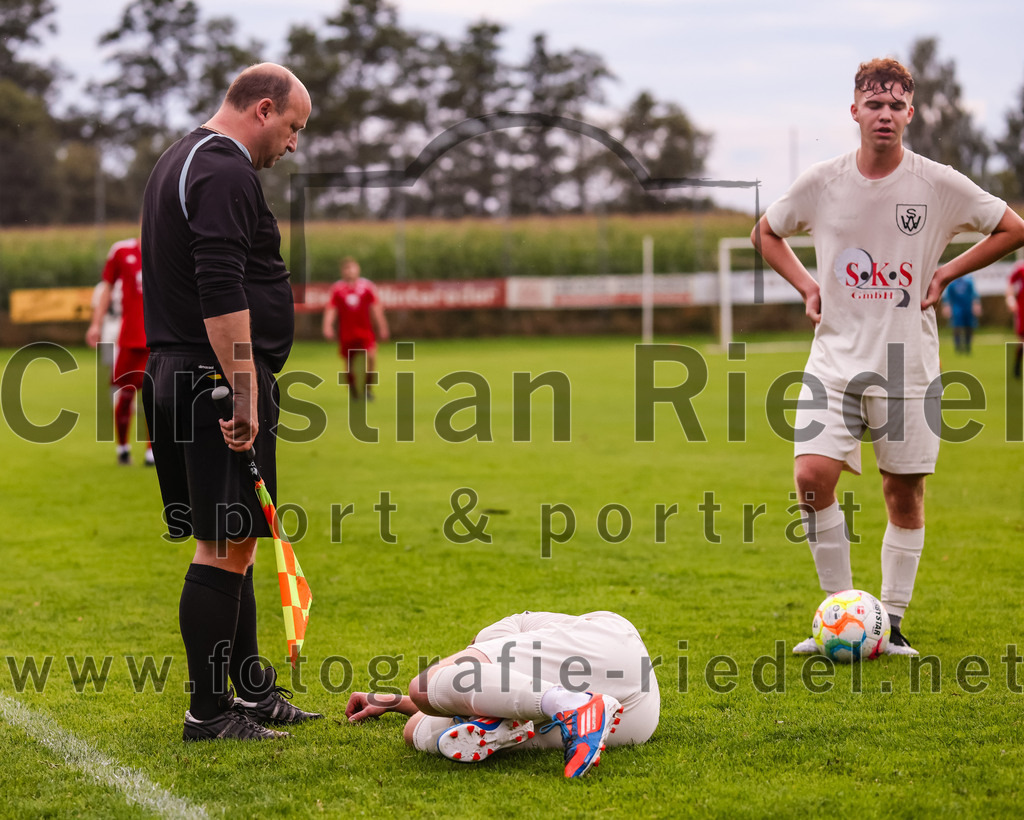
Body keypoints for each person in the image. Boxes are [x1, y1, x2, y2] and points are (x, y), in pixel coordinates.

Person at [750, 58, 1024, 656]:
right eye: (874, 104)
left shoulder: (938, 183)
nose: (885, 114)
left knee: (903, 494)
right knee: (810, 478)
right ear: (854, 111)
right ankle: (840, 613)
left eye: (897, 105)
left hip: (908, 366)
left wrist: (948, 270)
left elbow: (1011, 227)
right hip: (835, 360)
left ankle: (891, 624)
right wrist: (808, 287)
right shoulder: (822, 182)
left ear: (911, 113)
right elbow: (765, 232)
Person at [140, 63, 320, 741]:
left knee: (236, 538)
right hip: (212, 381)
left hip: (184, 372)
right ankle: (209, 714)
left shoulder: (179, 159)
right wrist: (244, 386)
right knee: (223, 545)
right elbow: (220, 284)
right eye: (294, 128)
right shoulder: (224, 169)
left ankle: (250, 693)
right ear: (264, 109)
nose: (293, 145)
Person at [345, 610, 660, 779]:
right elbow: (482, 688)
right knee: (416, 731)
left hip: (609, 650)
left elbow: (467, 683)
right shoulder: (536, 654)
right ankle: (514, 716)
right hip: (637, 720)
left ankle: (570, 704)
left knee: (425, 686)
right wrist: (395, 702)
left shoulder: (513, 626)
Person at [86, 237, 153, 465]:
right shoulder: (122, 251)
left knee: (156, 398)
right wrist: (96, 324)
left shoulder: (169, 246)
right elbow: (106, 288)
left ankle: (151, 451)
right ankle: (123, 448)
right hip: (126, 334)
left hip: (158, 338)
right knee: (124, 395)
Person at [322, 257, 389, 399]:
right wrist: (327, 326)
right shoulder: (338, 289)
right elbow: (331, 309)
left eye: (352, 267)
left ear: (358, 269)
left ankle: (367, 389)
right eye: (346, 268)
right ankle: (353, 388)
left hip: (365, 332)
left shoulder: (367, 287)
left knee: (371, 357)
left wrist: (382, 327)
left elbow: (376, 308)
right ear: (342, 271)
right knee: (349, 363)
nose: (350, 271)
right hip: (347, 333)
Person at [942, 273, 980, 354]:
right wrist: (947, 307)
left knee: (969, 326)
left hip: (968, 306)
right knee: (957, 326)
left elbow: (974, 294)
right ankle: (958, 347)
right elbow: (948, 296)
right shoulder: (952, 282)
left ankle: (967, 346)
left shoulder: (969, 280)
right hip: (957, 307)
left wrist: (976, 305)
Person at [1007, 262, 1024, 377]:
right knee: (1022, 340)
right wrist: (1010, 299)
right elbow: (1010, 286)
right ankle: (1017, 366)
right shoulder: (1020, 269)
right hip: (1022, 308)